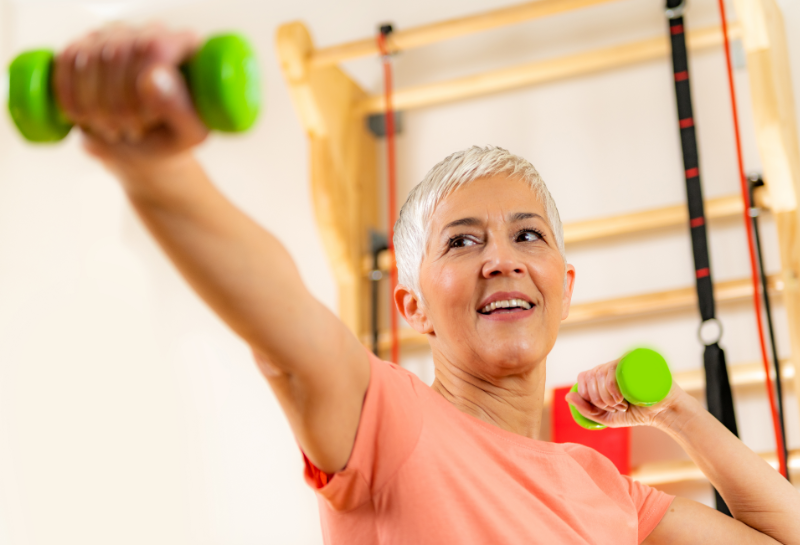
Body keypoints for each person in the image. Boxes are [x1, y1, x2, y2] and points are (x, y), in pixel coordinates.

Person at [53, 23, 800, 545]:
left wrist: (676, 412)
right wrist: (155, 170)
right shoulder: (390, 423)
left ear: (564, 288)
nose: (501, 259)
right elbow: (285, 329)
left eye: (527, 235)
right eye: (463, 241)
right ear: (413, 306)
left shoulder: (606, 491)